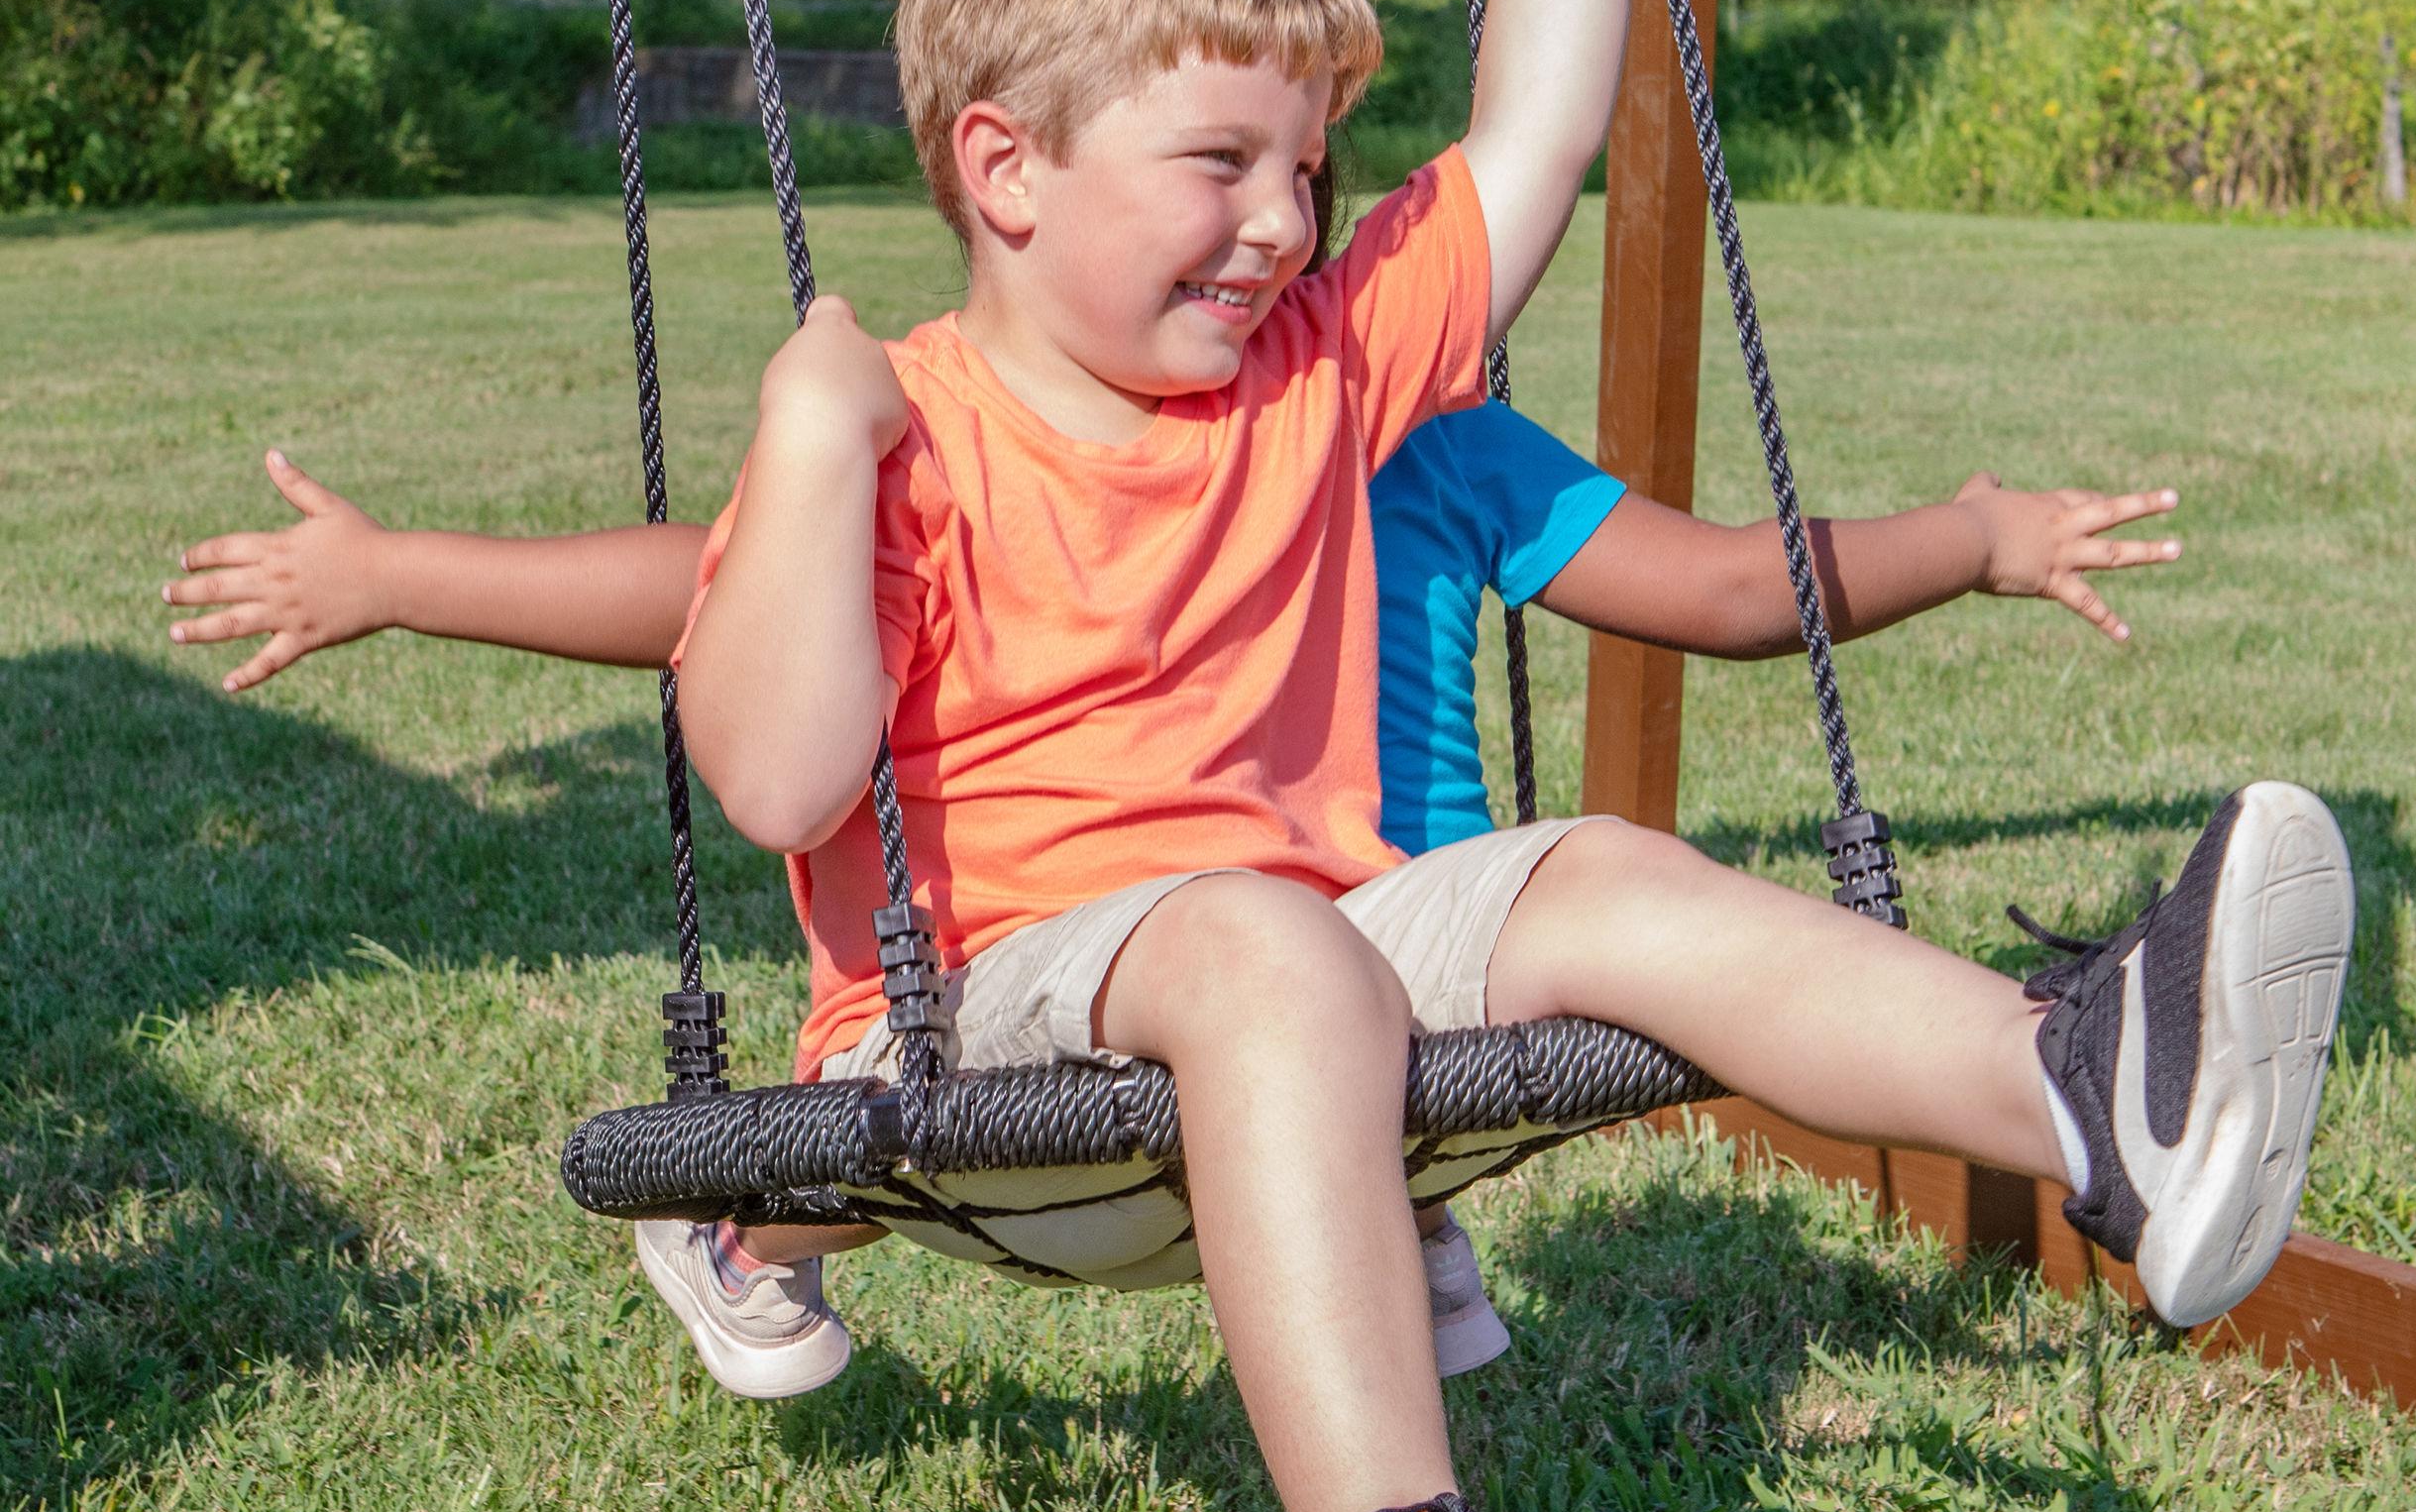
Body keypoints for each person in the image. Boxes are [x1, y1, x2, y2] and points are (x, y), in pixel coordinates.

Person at [175, 0, 2353, 1512]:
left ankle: (2090, 1100)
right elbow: (773, 776)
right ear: (1006, 172)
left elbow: (1542, 120)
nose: (1284, 223)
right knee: (1256, 936)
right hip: (987, 1041)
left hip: (1296, 1002)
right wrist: (808, 432)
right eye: (1221, 164)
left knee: (1593, 871)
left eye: (1308, 168)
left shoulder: (1321, 362)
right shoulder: (904, 435)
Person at [167, 419, 2185, 1382]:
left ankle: (2080, 1095)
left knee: (1520, 934)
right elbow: (712, 591)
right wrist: (399, 572)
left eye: (1294, 184)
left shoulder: (1444, 450)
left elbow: (1739, 590)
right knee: (959, 1087)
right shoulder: (1059, 461)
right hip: (1091, 976)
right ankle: (746, 1219)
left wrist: (1978, 532)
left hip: (1393, 964)